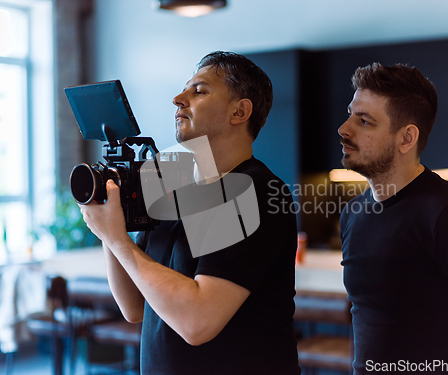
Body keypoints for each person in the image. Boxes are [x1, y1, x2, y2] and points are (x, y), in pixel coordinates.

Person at [79, 51, 300, 375]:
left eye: (198, 91)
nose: (177, 99)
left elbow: (198, 322)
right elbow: (134, 306)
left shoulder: (256, 191)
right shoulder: (172, 187)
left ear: (240, 111)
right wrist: (109, 223)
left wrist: (117, 239)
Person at [338, 62, 448, 374]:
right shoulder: (353, 213)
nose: (344, 129)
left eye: (365, 121)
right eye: (349, 114)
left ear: (406, 138)